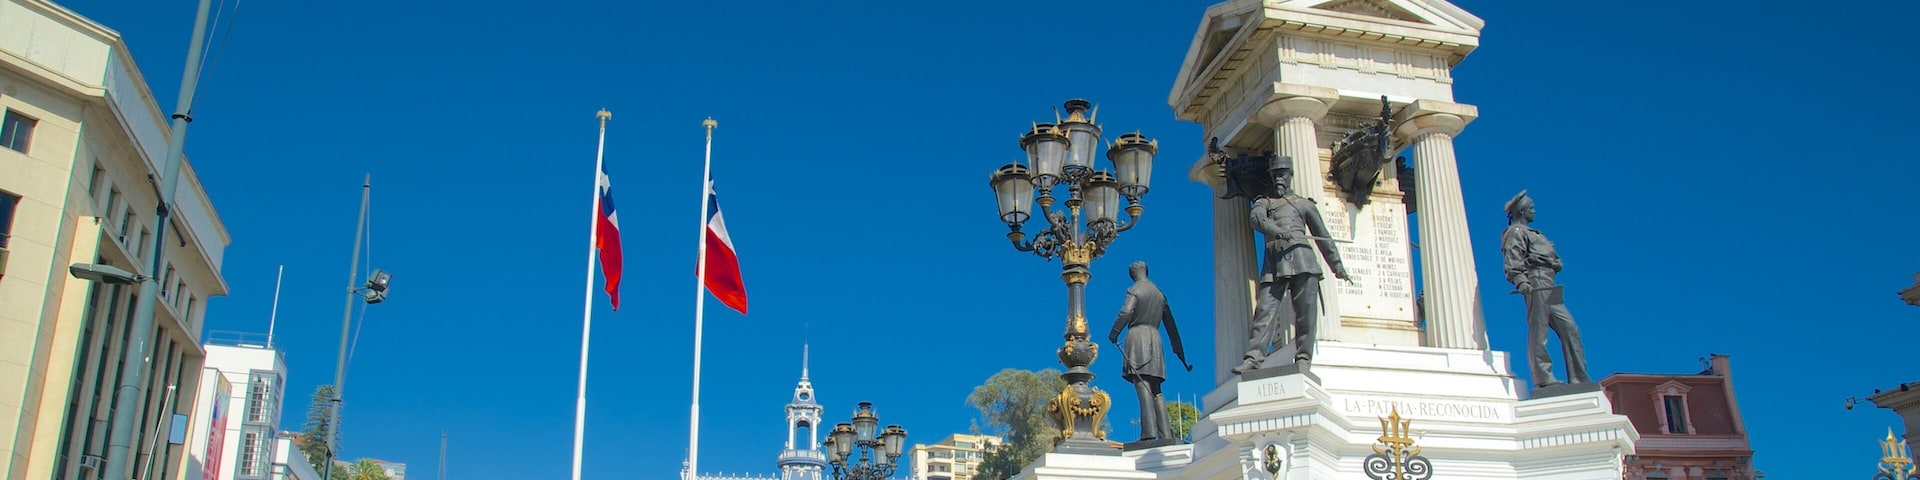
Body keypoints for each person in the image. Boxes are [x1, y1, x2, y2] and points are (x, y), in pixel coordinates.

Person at [1235, 155, 1350, 375]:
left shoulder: (1303, 204)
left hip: (1303, 260)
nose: (1279, 178)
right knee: (1264, 311)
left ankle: (1304, 357)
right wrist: (1277, 231)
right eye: (1275, 174)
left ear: (1290, 176)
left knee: (1306, 312)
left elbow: (1323, 236)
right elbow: (1256, 219)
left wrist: (1337, 267)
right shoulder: (1264, 202)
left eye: (1282, 174)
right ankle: (1253, 358)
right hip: (1274, 263)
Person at [1501, 190, 1590, 388]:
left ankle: (1579, 378)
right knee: (1539, 330)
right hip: (1537, 283)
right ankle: (1543, 378)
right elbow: (1512, 261)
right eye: (1531, 208)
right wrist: (1521, 281)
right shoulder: (1516, 232)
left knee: (1571, 329)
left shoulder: (1535, 233)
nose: (1534, 211)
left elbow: (1554, 259)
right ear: (1522, 210)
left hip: (1550, 282)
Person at [1108, 261, 1188, 443]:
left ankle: (1148, 433)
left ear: (1132, 274)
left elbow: (1126, 312)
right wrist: (1179, 351)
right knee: (1156, 389)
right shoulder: (1160, 294)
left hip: (1138, 337)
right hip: (1155, 339)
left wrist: (1114, 333)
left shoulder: (1134, 291)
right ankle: (1165, 434)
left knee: (1142, 383)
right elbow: (1171, 325)